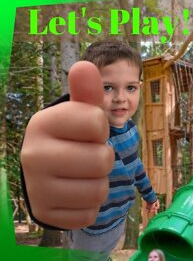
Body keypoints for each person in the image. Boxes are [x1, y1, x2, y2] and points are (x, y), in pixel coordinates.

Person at [20, 40, 160, 260]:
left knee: (104, 253)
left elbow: (136, 166)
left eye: (130, 87)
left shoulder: (132, 130)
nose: (121, 98)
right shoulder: (88, 138)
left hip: (119, 218)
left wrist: (150, 196)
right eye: (107, 88)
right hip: (91, 227)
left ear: (140, 88)